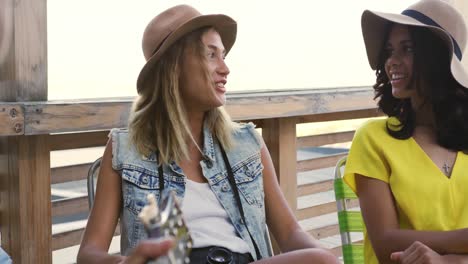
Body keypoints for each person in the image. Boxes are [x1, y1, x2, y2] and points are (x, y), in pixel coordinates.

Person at [77, 5, 339, 264]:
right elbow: (89, 254)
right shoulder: (130, 149)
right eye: (211, 55)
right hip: (176, 260)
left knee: (321, 260)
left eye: (223, 56)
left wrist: (325, 257)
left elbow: (291, 233)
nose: (225, 69)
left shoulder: (246, 144)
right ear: (174, 67)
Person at [343, 0, 468, 263]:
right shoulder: (373, 138)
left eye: (407, 49)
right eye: (389, 51)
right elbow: (386, 244)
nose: (392, 62)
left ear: (435, 57)